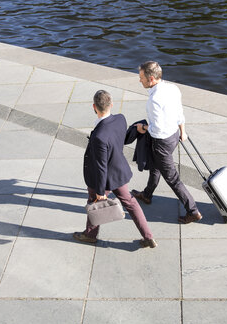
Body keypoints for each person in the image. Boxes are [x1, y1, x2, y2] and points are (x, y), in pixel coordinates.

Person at [73, 90, 157, 248]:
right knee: (131, 204)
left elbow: (100, 166)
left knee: (94, 204)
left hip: (105, 178)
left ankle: (90, 235)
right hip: (119, 173)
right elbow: (122, 138)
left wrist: (100, 192)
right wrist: (135, 129)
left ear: (94, 107)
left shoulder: (99, 136)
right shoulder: (120, 119)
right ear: (111, 104)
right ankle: (148, 236)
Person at [132, 61, 203, 224]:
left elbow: (156, 129)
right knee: (155, 166)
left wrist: (143, 127)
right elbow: (179, 112)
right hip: (174, 136)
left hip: (162, 141)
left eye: (141, 77)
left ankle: (193, 211)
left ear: (150, 79)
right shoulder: (172, 88)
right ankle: (147, 195)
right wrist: (183, 132)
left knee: (172, 178)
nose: (139, 80)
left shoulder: (153, 100)